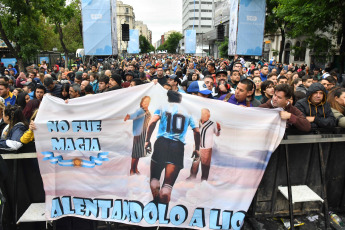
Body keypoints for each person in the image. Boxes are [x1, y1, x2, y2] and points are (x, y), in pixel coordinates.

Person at [144, 90, 200, 204]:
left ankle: (155, 205)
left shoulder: (162, 106)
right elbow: (197, 131)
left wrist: (147, 140)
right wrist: (197, 148)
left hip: (161, 143)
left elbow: (152, 122)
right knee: (167, 186)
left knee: (154, 179)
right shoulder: (188, 111)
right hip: (177, 146)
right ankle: (163, 212)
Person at [187, 108, 220, 180]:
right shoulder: (196, 122)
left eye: (205, 114)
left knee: (205, 164)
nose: (203, 115)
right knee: (195, 162)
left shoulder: (212, 124)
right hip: (197, 147)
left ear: (209, 115)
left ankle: (204, 179)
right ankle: (192, 176)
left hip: (207, 148)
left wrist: (219, 129)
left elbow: (217, 134)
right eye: (202, 113)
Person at [124, 96, 152, 175]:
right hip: (138, 134)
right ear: (141, 102)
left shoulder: (147, 111)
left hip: (143, 133)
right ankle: (132, 170)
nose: (145, 103)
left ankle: (135, 168)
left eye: (147, 102)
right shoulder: (140, 110)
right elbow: (134, 115)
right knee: (136, 152)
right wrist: (129, 116)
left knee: (139, 152)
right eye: (144, 101)